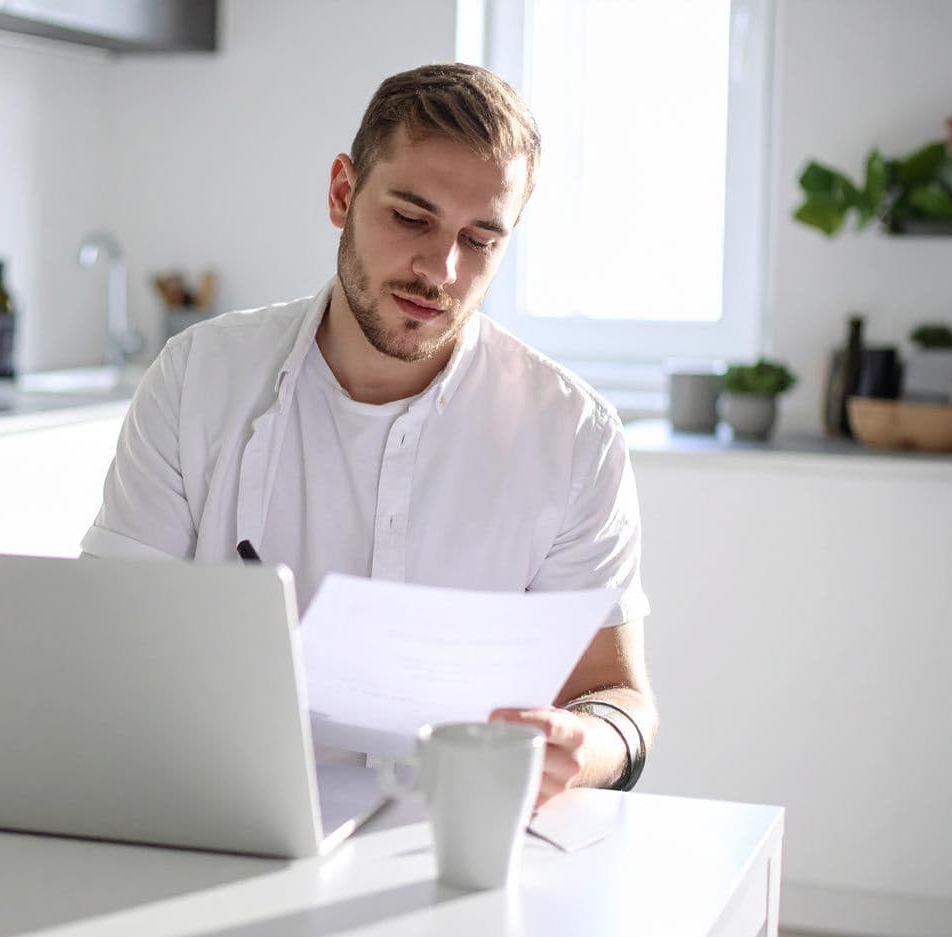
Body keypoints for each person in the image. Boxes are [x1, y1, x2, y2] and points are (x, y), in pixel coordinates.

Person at [81, 63, 656, 806]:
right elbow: (104, 635)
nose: (440, 269)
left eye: (480, 239)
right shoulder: (199, 378)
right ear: (343, 193)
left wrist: (584, 745)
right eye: (412, 218)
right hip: (226, 819)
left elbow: (618, 694)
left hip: (456, 842)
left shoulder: (573, 436)